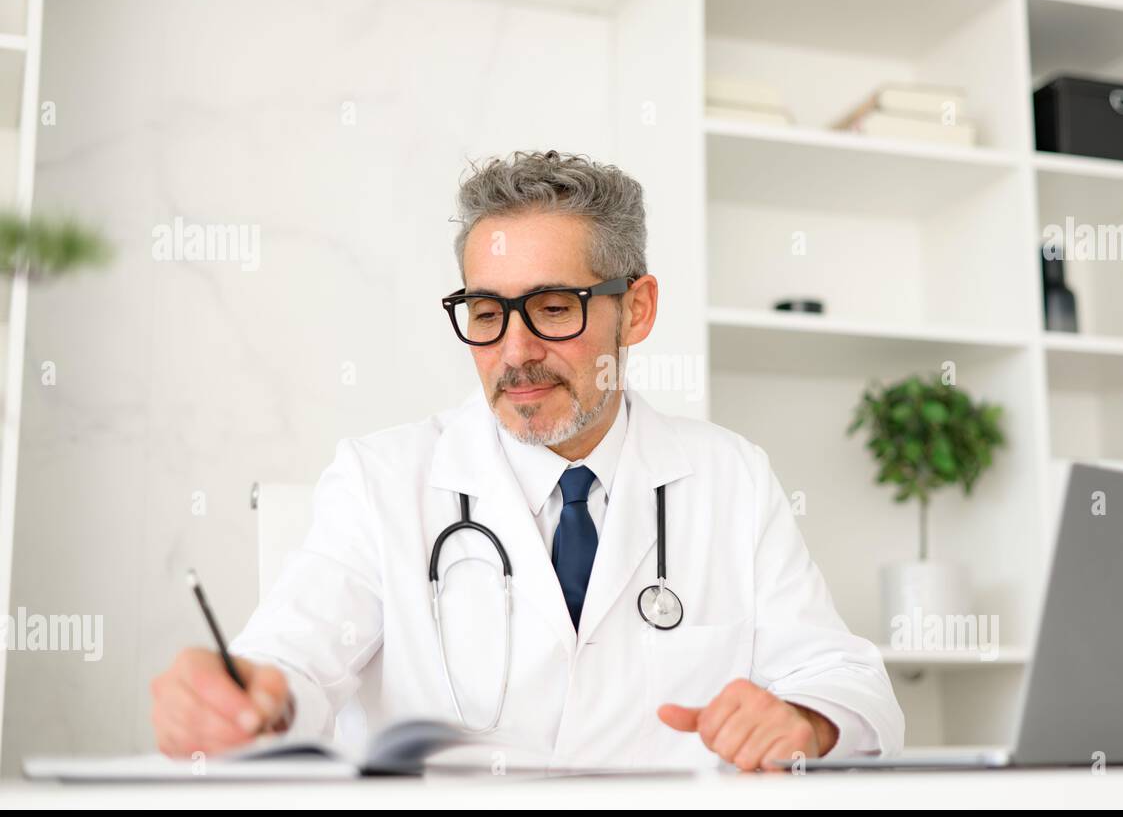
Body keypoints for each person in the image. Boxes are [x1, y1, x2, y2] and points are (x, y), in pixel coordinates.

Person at [150, 150, 904, 770]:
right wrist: (240, 695)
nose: (515, 353)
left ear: (635, 309)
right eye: (486, 313)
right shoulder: (381, 481)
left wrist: (804, 719)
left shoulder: (730, 479)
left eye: (551, 308)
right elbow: (293, 665)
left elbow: (844, 680)